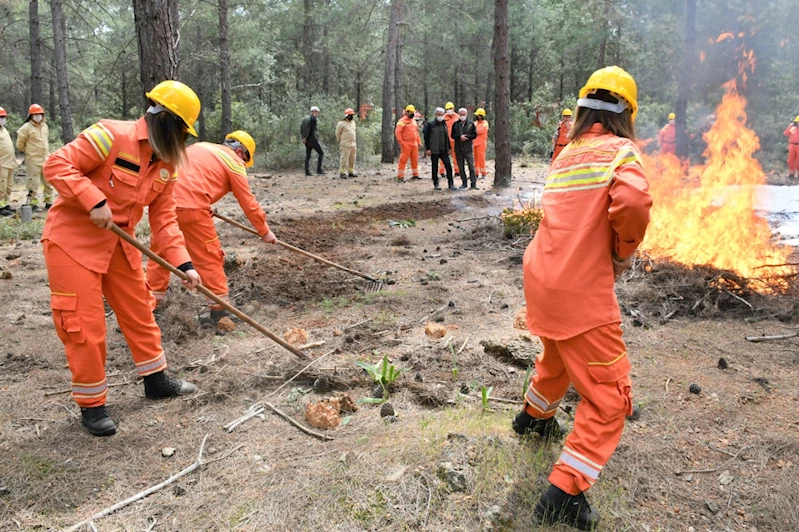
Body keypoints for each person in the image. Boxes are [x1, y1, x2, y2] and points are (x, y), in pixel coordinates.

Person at [512, 66, 652, 530]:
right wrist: (622, 251)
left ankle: (533, 418)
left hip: (543, 278)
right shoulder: (621, 152)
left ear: (584, 108)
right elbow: (632, 205)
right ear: (626, 114)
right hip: (580, 289)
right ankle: (565, 491)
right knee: (610, 397)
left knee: (558, 354)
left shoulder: (568, 152)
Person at [41, 80, 202, 437]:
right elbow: (56, 165)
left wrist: (185, 264)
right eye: (182, 132)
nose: (183, 141)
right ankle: (92, 404)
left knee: (140, 311)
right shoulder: (110, 135)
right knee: (84, 324)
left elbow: (165, 221)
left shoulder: (166, 166)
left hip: (120, 244)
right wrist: (92, 200)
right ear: (166, 121)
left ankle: (155, 380)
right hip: (73, 241)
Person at [146, 130, 276, 326]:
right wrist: (265, 232)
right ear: (240, 152)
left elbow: (189, 178)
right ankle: (220, 312)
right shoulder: (234, 162)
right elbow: (249, 203)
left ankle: (149, 309)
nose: (243, 164)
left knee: (159, 257)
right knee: (209, 257)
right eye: (245, 159)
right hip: (192, 210)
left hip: (162, 206)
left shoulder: (200, 147)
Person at [16, 103, 52, 210]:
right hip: (33, 160)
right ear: (31, 116)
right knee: (33, 183)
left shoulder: (45, 126)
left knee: (48, 182)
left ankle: (49, 202)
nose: (38, 116)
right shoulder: (26, 128)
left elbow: (46, 141)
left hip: (45, 159)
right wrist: (29, 152)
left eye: (40, 114)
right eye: (35, 114)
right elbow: (20, 144)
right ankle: (33, 203)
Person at [423, 107, 455, 191]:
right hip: (434, 149)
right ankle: (436, 183)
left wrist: (449, 148)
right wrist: (428, 148)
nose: (440, 116)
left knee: (448, 165)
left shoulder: (444, 124)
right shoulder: (430, 125)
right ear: (436, 114)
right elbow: (426, 137)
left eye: (441, 114)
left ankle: (451, 184)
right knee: (434, 167)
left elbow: (446, 136)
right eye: (439, 114)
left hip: (443, 149)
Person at [450, 108, 478, 190]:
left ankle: (473, 184)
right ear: (458, 115)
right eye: (461, 114)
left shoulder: (471, 124)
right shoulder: (455, 124)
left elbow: (474, 135)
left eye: (464, 114)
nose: (462, 116)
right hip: (458, 149)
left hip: (468, 149)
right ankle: (464, 183)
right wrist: (459, 137)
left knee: (471, 167)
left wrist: (467, 137)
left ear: (466, 114)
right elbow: (452, 135)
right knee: (461, 167)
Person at [395, 104, 421, 181]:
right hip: (406, 143)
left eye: (413, 112)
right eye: (411, 112)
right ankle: (400, 176)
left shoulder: (413, 121)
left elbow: (416, 132)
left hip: (414, 144)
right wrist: (401, 142)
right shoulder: (402, 121)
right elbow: (397, 132)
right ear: (407, 112)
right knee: (403, 160)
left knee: (415, 160)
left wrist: (419, 141)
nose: (412, 114)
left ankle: (415, 175)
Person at [0, 107, 17, 217]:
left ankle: (5, 203)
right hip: (1, 163)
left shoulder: (4, 129)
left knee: (8, 186)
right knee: (1, 186)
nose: (3, 119)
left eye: (4, 117)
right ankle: (0, 207)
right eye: (1, 117)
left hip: (10, 162)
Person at [438, 102, 460, 178]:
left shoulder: (457, 117)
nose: (448, 110)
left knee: (456, 156)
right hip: (445, 140)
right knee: (443, 156)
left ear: (453, 108)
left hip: (455, 140)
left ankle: (457, 171)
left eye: (450, 109)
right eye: (447, 109)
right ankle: (441, 171)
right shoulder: (443, 118)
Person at [301, 106, 324, 176]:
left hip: (306, 141)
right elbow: (311, 130)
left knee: (308, 156)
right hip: (312, 140)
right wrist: (307, 138)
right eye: (317, 112)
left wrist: (303, 138)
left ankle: (307, 171)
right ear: (314, 111)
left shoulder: (305, 118)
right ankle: (319, 170)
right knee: (321, 153)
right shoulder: (313, 118)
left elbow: (301, 129)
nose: (318, 114)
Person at [335, 108, 357, 179]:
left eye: (352, 115)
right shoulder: (341, 123)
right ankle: (342, 172)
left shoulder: (353, 123)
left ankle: (351, 171)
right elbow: (337, 133)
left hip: (353, 144)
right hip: (345, 144)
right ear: (347, 115)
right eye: (350, 115)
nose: (351, 116)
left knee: (352, 159)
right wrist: (339, 141)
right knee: (344, 159)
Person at [473, 108, 489, 179]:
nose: (477, 116)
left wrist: (474, 131)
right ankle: (476, 173)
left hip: (481, 143)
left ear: (481, 116)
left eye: (478, 115)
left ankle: (483, 173)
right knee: (475, 159)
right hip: (474, 143)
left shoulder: (485, 123)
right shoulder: (475, 123)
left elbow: (480, 131)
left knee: (481, 159)